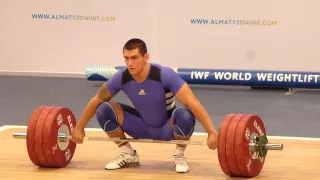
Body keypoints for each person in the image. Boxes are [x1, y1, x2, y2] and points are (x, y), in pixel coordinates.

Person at [71, 38, 218, 173]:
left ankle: (179, 154)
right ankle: (128, 154)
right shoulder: (122, 77)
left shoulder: (163, 74)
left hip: (168, 128)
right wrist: (79, 127)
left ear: (146, 57)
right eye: (126, 58)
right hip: (141, 126)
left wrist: (211, 131)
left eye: (134, 58)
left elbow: (193, 102)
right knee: (103, 109)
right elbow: (96, 100)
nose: (130, 63)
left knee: (184, 114)